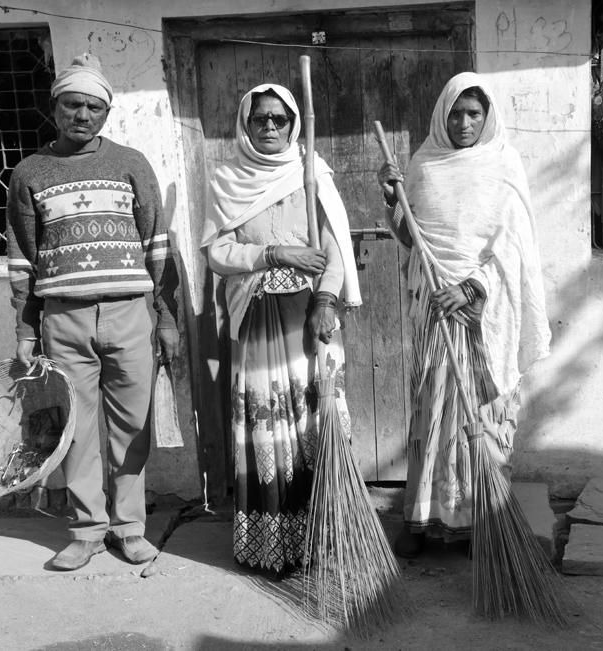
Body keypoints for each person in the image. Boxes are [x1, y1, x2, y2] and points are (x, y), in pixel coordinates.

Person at [6, 54, 179, 571]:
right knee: (75, 428)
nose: (83, 115)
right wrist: (25, 327)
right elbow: (22, 258)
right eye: (73, 104)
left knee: (132, 425)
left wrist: (166, 318)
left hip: (129, 312)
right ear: (54, 106)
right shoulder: (29, 174)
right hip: (64, 317)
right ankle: (86, 530)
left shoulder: (131, 164)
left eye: (94, 107)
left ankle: (129, 529)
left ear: (107, 113)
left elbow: (159, 247)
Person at [376, 72, 551, 558]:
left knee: (481, 412)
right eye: (456, 112)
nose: (465, 122)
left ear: (488, 115)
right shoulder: (424, 165)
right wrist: (394, 201)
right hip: (434, 308)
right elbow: (413, 240)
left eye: (474, 113)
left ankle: (482, 520)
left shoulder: (504, 165)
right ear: (442, 114)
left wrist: (472, 287)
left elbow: (514, 246)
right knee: (432, 411)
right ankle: (423, 518)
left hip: (480, 313)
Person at [203, 83, 362, 580]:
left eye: (279, 119)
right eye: (259, 119)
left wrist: (325, 300)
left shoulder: (312, 174)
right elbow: (216, 252)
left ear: (294, 125)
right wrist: (272, 254)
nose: (269, 127)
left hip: (309, 315)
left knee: (317, 422)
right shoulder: (227, 179)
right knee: (269, 425)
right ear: (245, 125)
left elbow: (335, 248)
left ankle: (328, 534)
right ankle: (275, 543)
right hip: (257, 317)